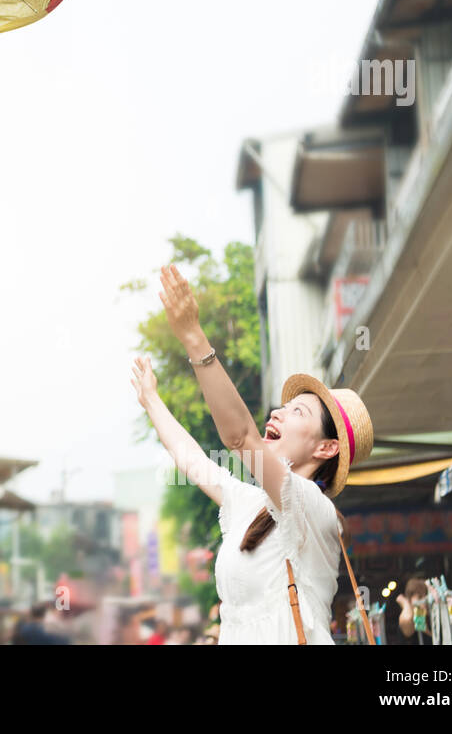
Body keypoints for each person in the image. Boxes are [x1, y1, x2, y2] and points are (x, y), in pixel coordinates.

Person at [132, 265, 375, 645]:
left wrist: (194, 337)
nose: (277, 413)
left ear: (326, 447)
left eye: (299, 412)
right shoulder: (248, 503)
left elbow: (241, 437)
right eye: (284, 406)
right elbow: (192, 460)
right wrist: (151, 401)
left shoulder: (315, 509)